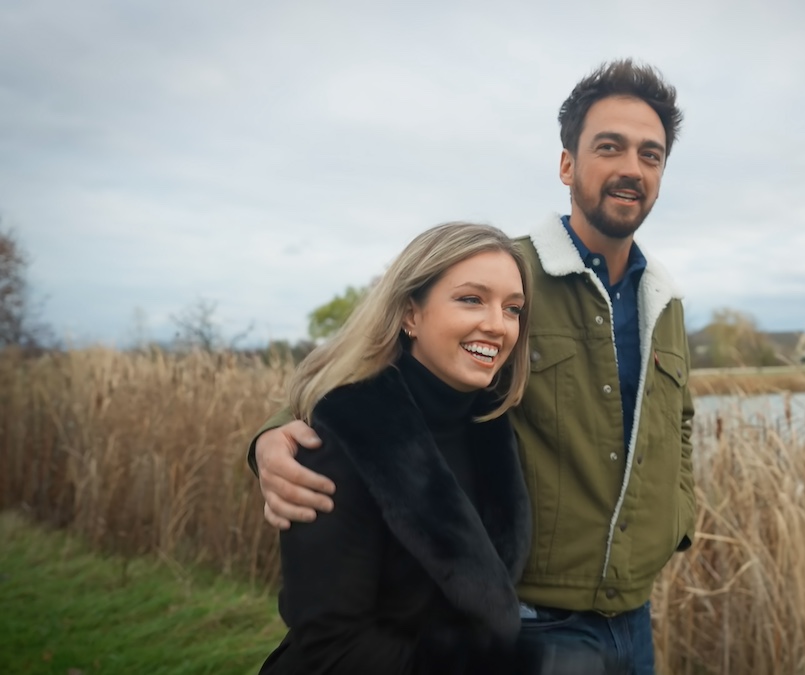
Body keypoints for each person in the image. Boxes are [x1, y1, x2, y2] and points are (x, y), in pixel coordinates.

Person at [252, 60, 694, 675]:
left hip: (635, 616)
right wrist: (273, 435)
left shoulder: (663, 301)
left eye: (651, 154)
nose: (631, 168)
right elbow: (365, 359)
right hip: (537, 619)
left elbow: (680, 426)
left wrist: (678, 518)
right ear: (568, 165)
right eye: (609, 147)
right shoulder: (502, 273)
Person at [258, 222, 546, 674]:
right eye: (471, 299)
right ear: (411, 313)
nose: (497, 325)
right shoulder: (341, 436)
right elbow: (332, 647)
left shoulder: (490, 424)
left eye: (512, 309)